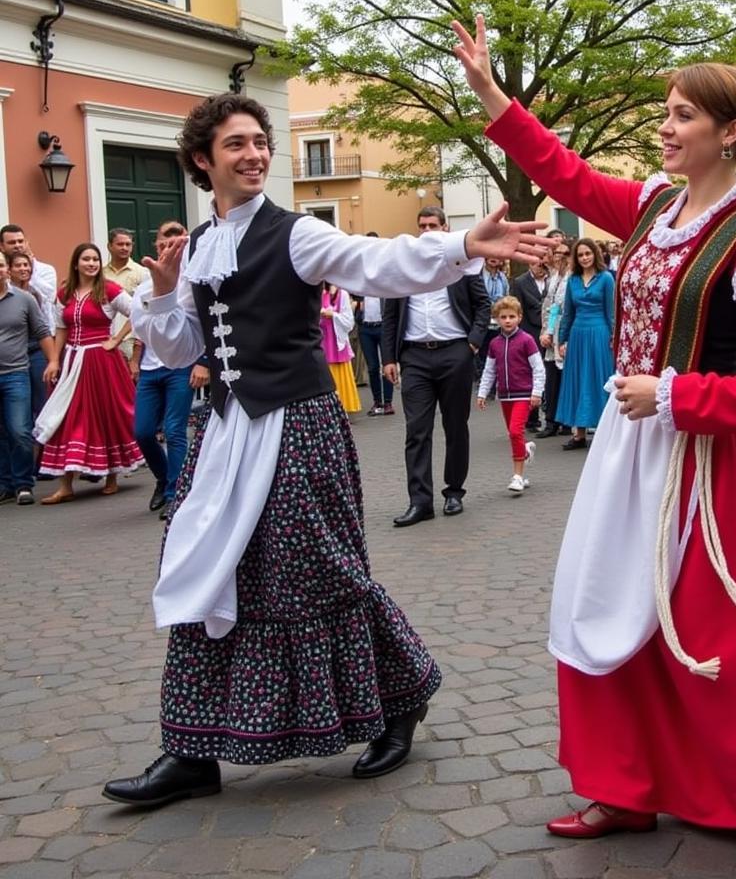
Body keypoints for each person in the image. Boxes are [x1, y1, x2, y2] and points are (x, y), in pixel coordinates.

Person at [453, 13, 736, 848]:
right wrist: (489, 93)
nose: (665, 126)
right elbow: (567, 172)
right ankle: (622, 786)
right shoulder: (655, 209)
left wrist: (676, 394)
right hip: (632, 448)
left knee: (726, 628)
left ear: (730, 132)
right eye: (666, 110)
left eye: (684, 114)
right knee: (602, 607)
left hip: (707, 457)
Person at [103, 92, 548, 809]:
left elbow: (376, 262)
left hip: (294, 424)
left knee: (320, 573)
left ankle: (402, 698)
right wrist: (160, 296)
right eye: (236, 145)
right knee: (200, 569)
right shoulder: (199, 246)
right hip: (226, 432)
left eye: (260, 142)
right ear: (201, 160)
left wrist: (462, 244)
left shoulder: (296, 233)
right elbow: (188, 347)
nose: (253, 155)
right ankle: (190, 749)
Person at [382, 206, 492, 527]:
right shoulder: (404, 266)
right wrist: (389, 358)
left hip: (454, 352)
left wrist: (472, 342)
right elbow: (391, 314)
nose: (427, 230)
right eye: (422, 225)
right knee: (416, 430)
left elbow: (482, 304)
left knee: (456, 426)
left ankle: (454, 491)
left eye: (433, 224)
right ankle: (420, 501)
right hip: (414, 357)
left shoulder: (461, 263)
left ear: (445, 227)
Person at [34, 243, 144, 502]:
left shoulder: (109, 289)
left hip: (101, 361)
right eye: (86, 259)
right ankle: (66, 485)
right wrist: (54, 360)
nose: (92, 263)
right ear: (76, 263)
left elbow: (138, 312)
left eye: (95, 259)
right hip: (72, 360)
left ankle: (112, 476)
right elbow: (61, 327)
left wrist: (116, 339)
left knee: (105, 413)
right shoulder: (65, 293)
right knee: (66, 416)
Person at [132, 222, 208, 519]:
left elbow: (205, 325)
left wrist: (203, 361)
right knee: (143, 432)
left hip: (181, 367)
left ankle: (177, 494)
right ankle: (164, 479)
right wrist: (134, 360)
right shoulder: (142, 287)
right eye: (167, 239)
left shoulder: (193, 281)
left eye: (179, 238)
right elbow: (140, 329)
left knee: (176, 430)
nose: (172, 244)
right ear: (157, 244)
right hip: (151, 370)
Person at [0, 251, 58, 506]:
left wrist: (54, 361)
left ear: (7, 270)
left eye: (1, 265)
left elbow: (42, 332)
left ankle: (23, 483)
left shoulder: (24, 299)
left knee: (20, 430)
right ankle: (6, 484)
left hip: (16, 374)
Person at [476, 295, 545, 493]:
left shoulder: (527, 340)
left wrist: (536, 392)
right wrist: (482, 393)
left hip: (523, 394)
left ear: (519, 318)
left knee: (516, 431)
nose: (507, 320)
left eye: (512, 316)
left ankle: (518, 476)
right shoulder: (494, 344)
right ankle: (525, 449)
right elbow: (489, 370)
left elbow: (538, 368)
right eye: (503, 317)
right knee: (513, 434)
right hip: (505, 396)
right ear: (496, 319)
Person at [557, 237, 614, 450]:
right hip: (578, 334)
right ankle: (579, 435)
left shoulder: (606, 278)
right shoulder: (572, 281)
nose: (584, 258)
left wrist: (613, 336)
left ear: (595, 255)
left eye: (587, 253)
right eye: (580, 255)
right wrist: (562, 339)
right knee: (578, 380)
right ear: (576, 258)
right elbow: (568, 313)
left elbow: (611, 311)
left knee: (599, 379)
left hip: (599, 333)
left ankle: (604, 433)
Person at [354, 235, 395, 416]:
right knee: (371, 367)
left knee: (387, 364)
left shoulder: (384, 270)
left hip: (383, 326)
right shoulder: (360, 272)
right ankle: (377, 402)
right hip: (366, 327)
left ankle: (388, 402)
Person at [7, 251, 50, 420]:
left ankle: (40, 443)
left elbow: (43, 326)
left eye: (26, 265)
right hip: (14, 353)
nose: (24, 269)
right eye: (18, 265)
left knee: (41, 398)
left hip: (35, 348)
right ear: (9, 270)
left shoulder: (35, 293)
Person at [535, 239, 571, 439]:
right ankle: (551, 420)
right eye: (557, 253)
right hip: (552, 329)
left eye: (564, 254)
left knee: (566, 378)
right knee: (552, 379)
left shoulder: (573, 277)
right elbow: (548, 307)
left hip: (566, 330)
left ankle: (565, 421)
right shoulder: (553, 277)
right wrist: (545, 331)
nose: (560, 257)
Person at [512, 258, 550, 430]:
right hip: (530, 332)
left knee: (552, 374)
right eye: (536, 264)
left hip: (551, 331)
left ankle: (553, 416)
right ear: (529, 264)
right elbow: (516, 309)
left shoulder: (554, 279)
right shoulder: (520, 282)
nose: (540, 267)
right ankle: (531, 418)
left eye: (543, 264)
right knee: (532, 374)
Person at [1, 224, 58, 338]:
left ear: (26, 243)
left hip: (41, 335)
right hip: (11, 336)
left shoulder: (46, 270)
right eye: (12, 243)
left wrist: (30, 271)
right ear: (1, 246)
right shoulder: (2, 271)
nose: (17, 245)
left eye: (20, 241)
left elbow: (48, 297)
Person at [103, 227, 147, 366]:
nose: (124, 248)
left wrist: (136, 353)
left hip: (131, 340)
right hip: (106, 338)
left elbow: (146, 312)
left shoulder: (142, 273)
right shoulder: (100, 275)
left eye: (128, 244)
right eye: (120, 244)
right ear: (109, 246)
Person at [320, 284, 360, 413]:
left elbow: (349, 321)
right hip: (322, 340)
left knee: (341, 374)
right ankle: (327, 408)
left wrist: (333, 315)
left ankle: (345, 406)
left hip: (337, 342)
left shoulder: (342, 294)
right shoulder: (320, 294)